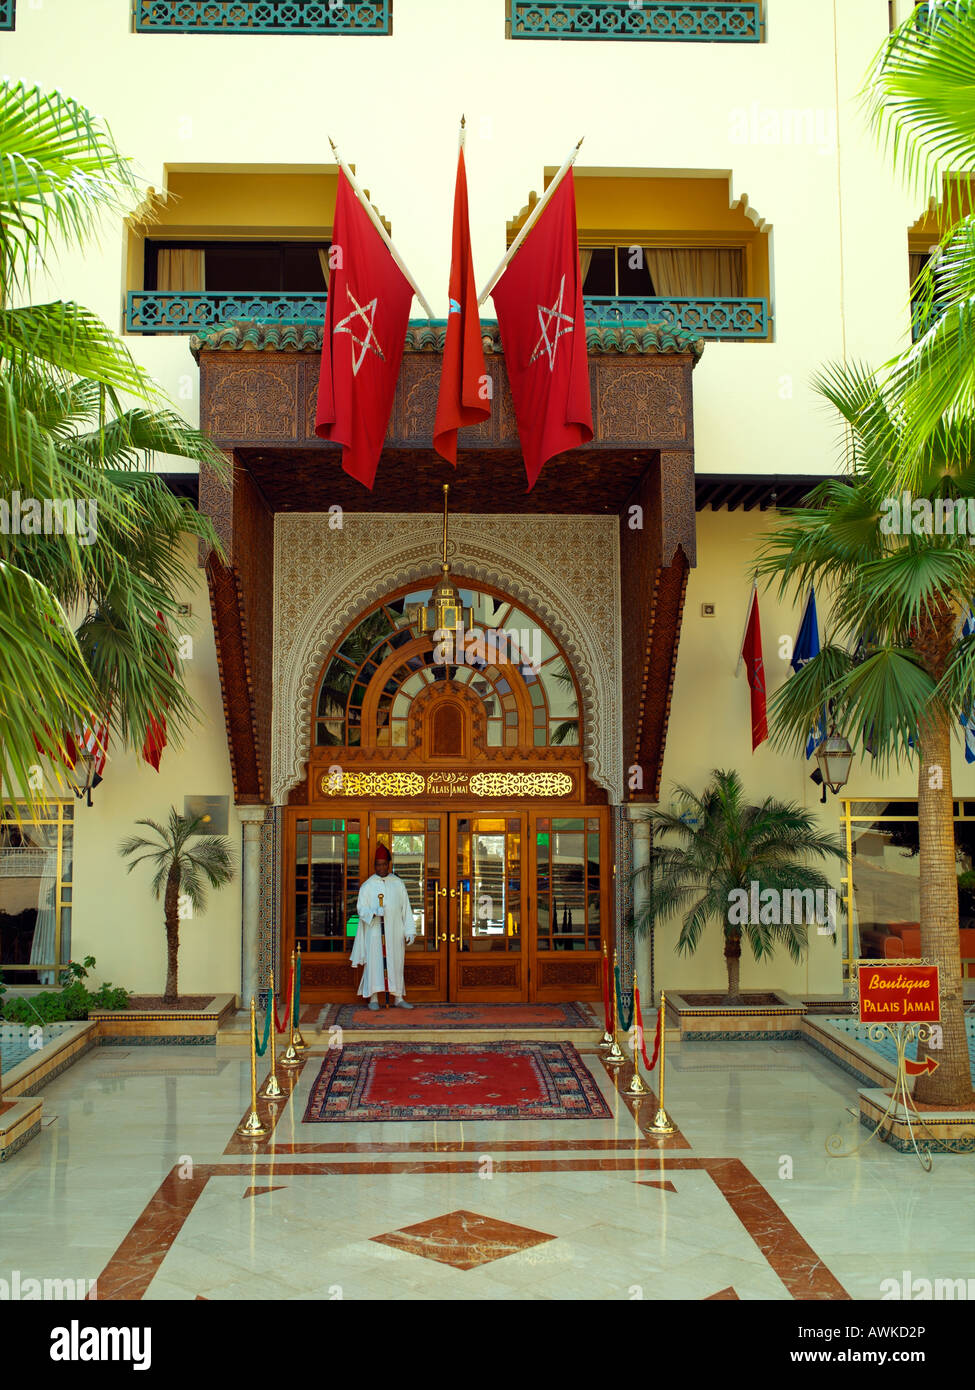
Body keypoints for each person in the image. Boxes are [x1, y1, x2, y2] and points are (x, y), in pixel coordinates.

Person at [351, 843, 415, 1009]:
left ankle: (398, 997)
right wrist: (373, 912)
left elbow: (406, 909)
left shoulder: (398, 884)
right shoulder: (368, 886)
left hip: (394, 932)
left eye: (384, 864)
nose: (381, 867)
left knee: (396, 962)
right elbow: (360, 909)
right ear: (374, 865)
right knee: (374, 963)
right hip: (374, 933)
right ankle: (373, 998)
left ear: (389, 864)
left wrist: (409, 930)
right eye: (378, 864)